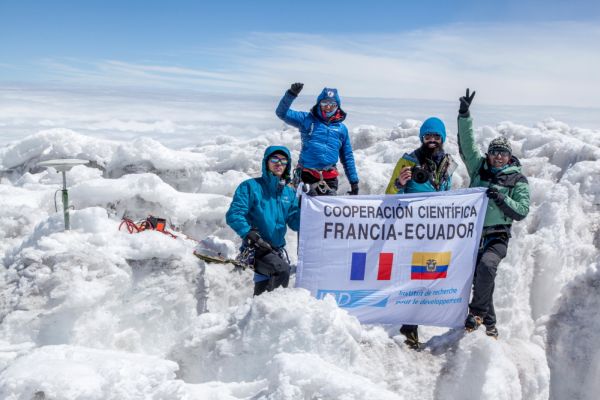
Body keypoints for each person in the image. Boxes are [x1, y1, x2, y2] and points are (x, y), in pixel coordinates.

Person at [457, 89, 530, 338]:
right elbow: (467, 144)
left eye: (503, 153)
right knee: (479, 280)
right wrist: (464, 114)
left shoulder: (517, 179)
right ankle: (490, 327)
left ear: (510, 157)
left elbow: (521, 211)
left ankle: (476, 314)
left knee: (487, 267)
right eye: (494, 152)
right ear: (489, 154)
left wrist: (501, 196)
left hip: (497, 236)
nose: (498, 156)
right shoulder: (479, 169)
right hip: (472, 235)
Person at [386, 116, 457, 349]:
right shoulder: (407, 161)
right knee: (412, 280)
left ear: (443, 138)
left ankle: (421, 324)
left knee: (428, 280)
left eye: (437, 136)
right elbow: (388, 197)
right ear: (422, 138)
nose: (432, 140)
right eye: (428, 136)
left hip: (435, 232)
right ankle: (408, 330)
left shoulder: (448, 163)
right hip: (411, 231)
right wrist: (398, 182)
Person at [226, 145, 301, 296]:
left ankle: (257, 315)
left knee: (262, 293)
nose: (279, 163)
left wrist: (308, 204)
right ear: (266, 162)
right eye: (274, 159)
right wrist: (249, 233)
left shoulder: (288, 193)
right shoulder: (251, 187)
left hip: (275, 251)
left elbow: (295, 222)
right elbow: (234, 214)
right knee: (281, 270)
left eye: (283, 160)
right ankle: (273, 313)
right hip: (257, 249)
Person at [276, 83, 359, 196]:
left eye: (332, 104)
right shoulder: (306, 119)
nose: (328, 107)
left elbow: (347, 157)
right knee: (304, 211)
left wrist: (354, 182)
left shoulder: (342, 129)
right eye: (324, 103)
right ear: (319, 104)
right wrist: (291, 94)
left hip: (330, 178)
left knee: (328, 212)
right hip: (306, 176)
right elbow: (282, 113)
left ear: (337, 106)